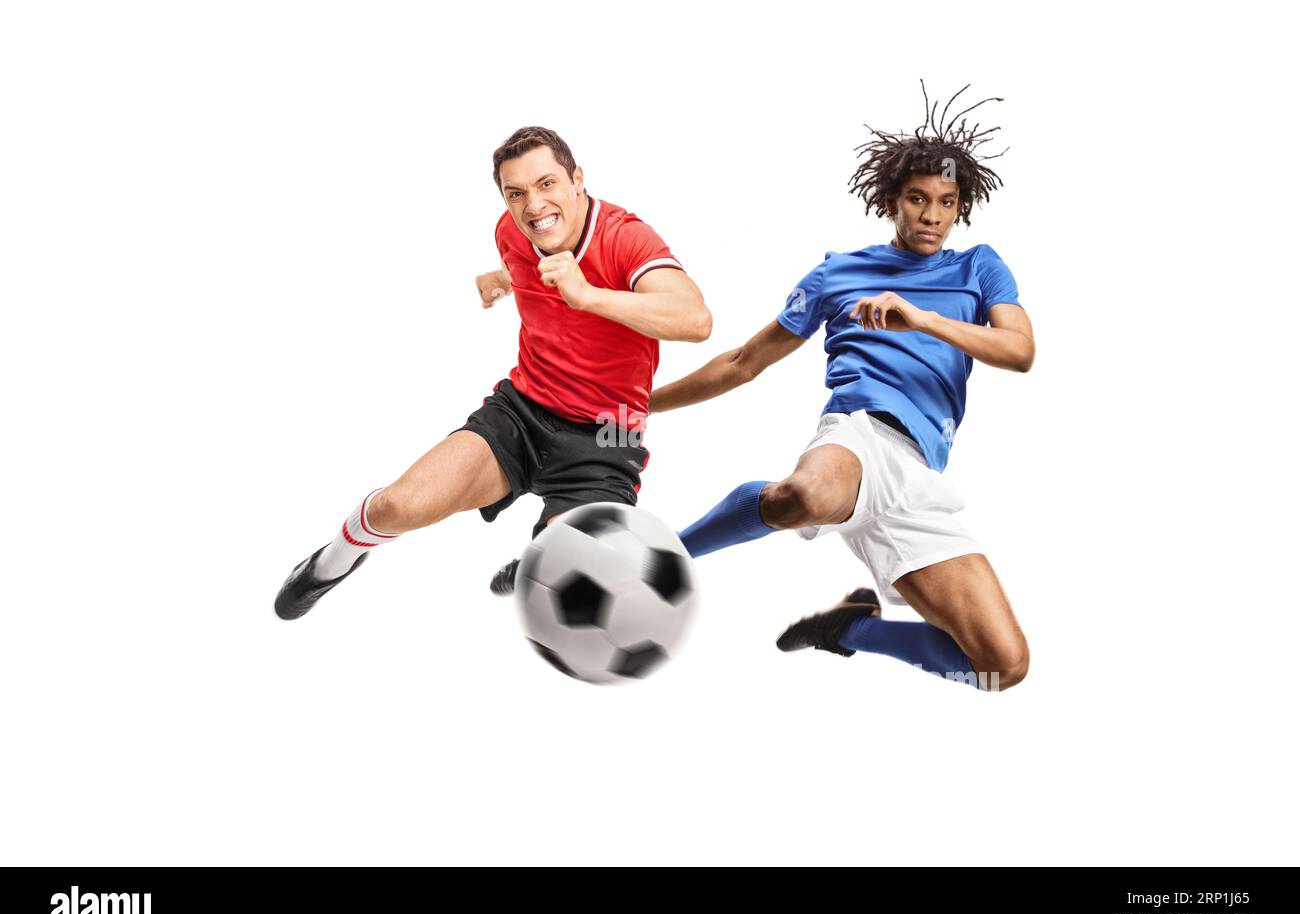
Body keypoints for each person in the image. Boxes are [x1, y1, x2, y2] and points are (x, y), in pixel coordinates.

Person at [649, 84, 1034, 691]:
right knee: (798, 498)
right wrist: (642, 405)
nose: (931, 215)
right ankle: (657, 556)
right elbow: (746, 359)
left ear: (961, 207)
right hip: (859, 434)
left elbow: (1021, 352)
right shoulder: (839, 273)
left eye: (946, 202)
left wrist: (925, 318)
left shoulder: (979, 268)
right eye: (916, 199)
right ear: (891, 200)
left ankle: (850, 629)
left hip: (922, 478)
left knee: (1000, 667)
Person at [275, 126, 711, 620]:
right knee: (396, 506)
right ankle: (329, 564)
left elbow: (696, 320)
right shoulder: (512, 230)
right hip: (522, 412)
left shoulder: (624, 237)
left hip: (607, 436)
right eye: (516, 193)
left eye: (547, 184)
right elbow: (526, 263)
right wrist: (502, 278)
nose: (533, 206)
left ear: (578, 180)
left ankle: (538, 562)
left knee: (581, 575)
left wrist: (588, 296)